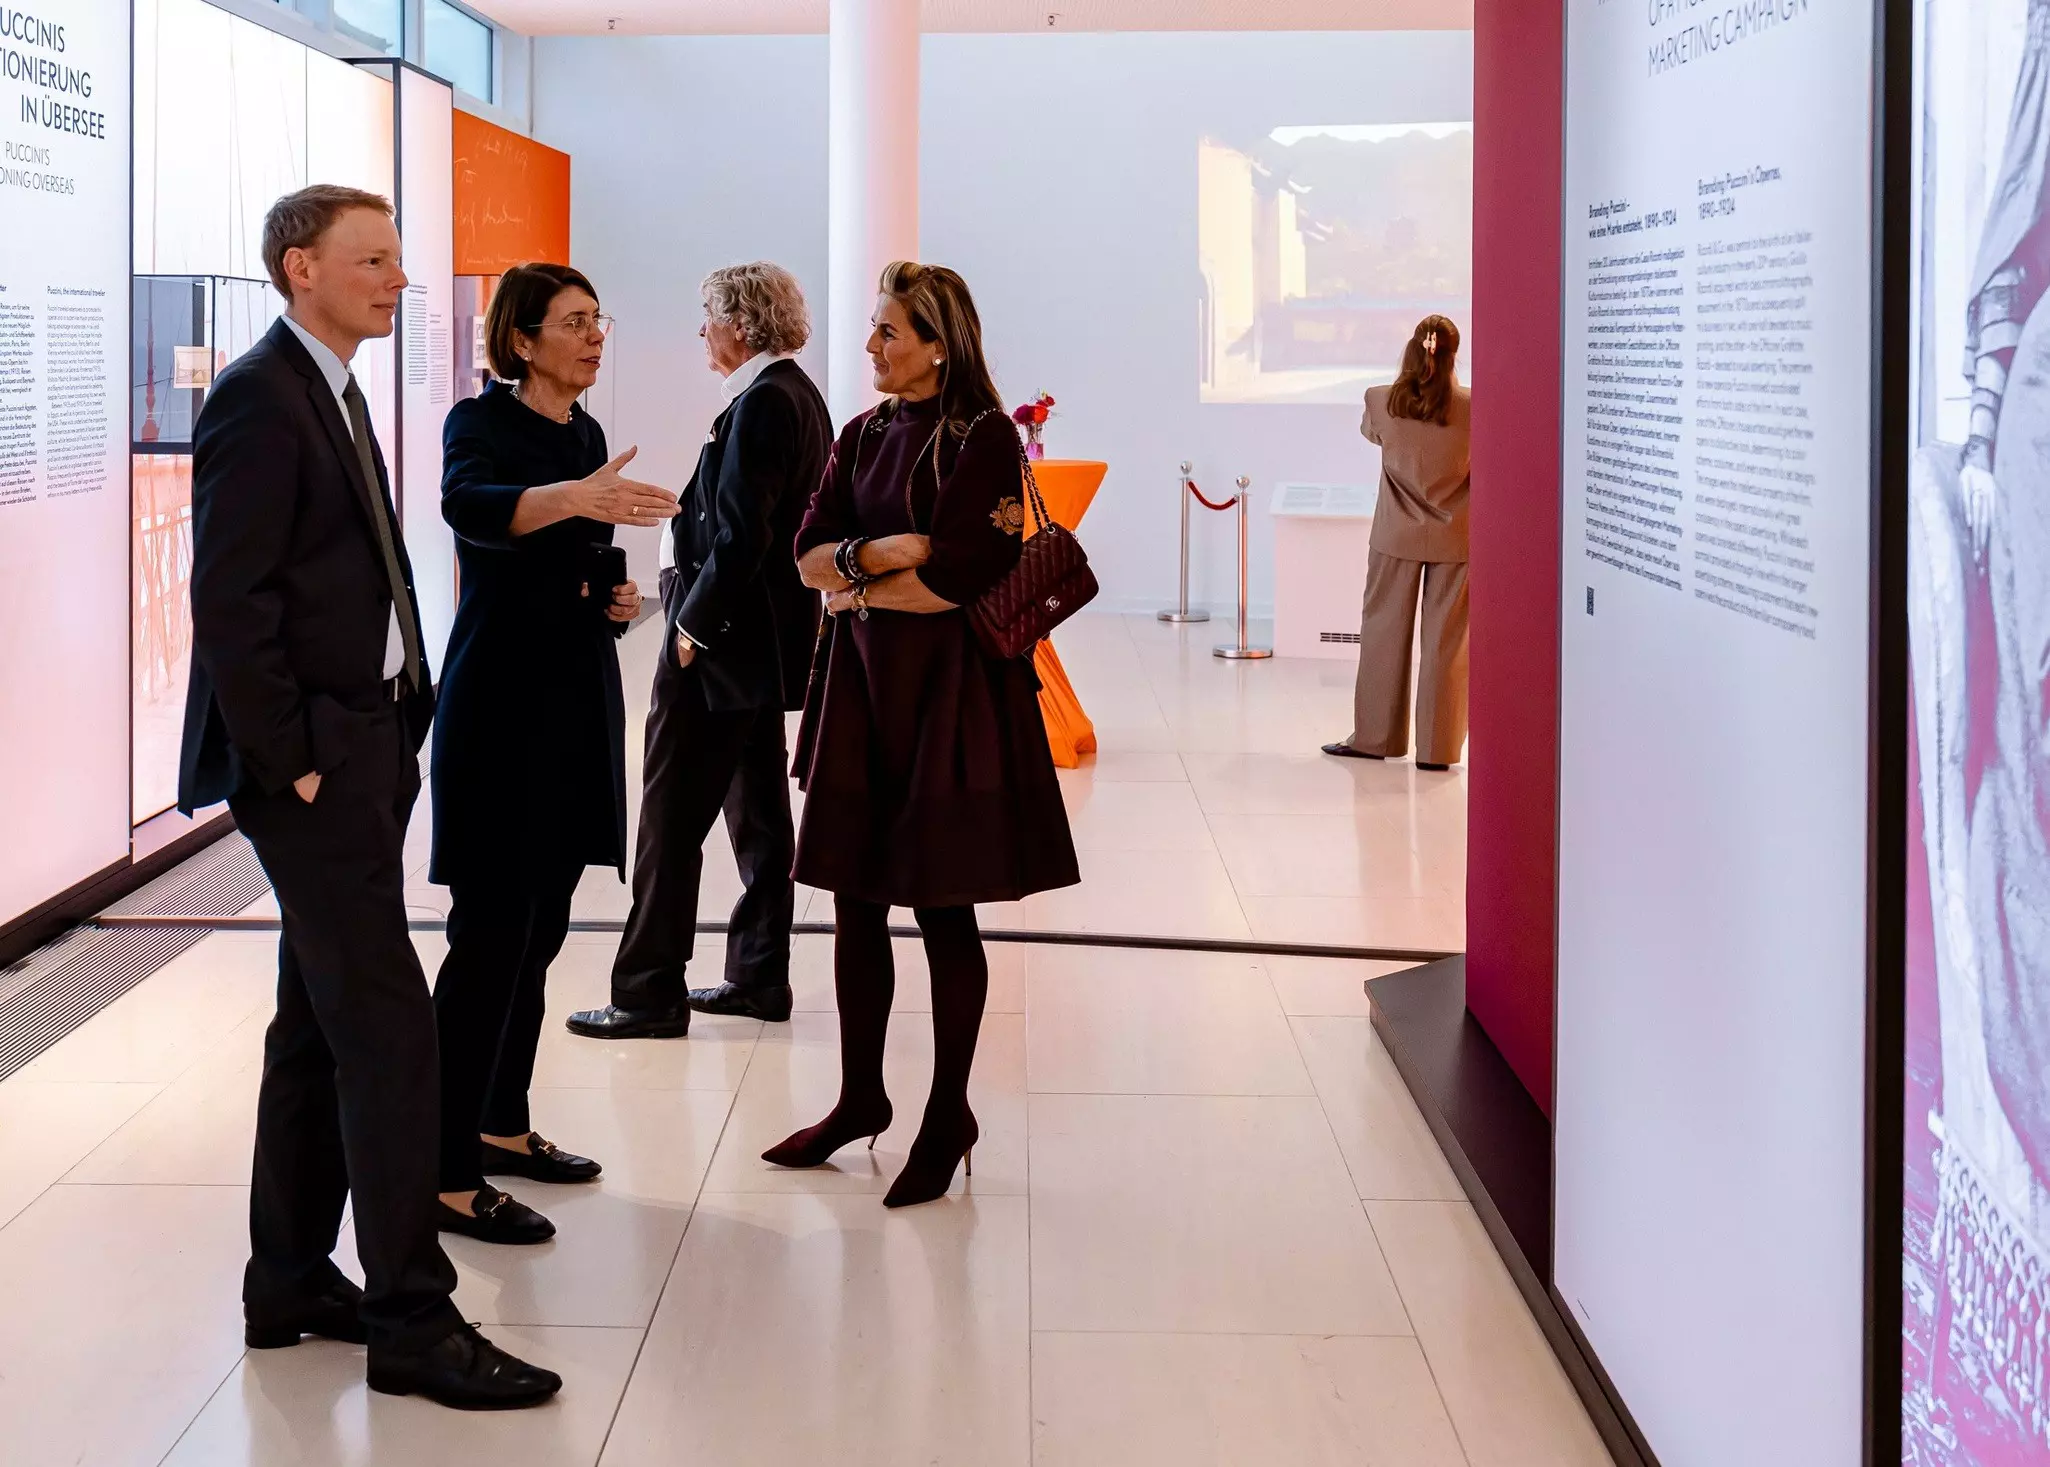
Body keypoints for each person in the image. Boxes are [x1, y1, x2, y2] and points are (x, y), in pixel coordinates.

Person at [176, 185, 558, 1409]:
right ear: (301, 268)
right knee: (390, 1033)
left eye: (397, 259)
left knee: (314, 1021)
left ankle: (288, 1278)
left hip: (368, 743)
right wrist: (289, 756)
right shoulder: (257, 395)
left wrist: (396, 720)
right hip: (318, 767)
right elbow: (231, 602)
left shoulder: (331, 384)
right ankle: (410, 1317)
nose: (400, 279)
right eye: (375, 260)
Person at [762, 261, 1079, 1209]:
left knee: (943, 907)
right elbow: (806, 553)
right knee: (855, 901)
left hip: (949, 700)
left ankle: (948, 1112)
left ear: (939, 344)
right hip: (863, 691)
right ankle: (861, 1097)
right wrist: (873, 558)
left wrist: (853, 580)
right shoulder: (860, 434)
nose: (870, 347)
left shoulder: (981, 437)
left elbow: (958, 576)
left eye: (887, 332)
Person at [429, 263, 678, 1245]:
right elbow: (475, 510)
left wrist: (614, 599)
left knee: (537, 932)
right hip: (499, 709)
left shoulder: (580, 438)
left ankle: (501, 1123)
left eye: (597, 320)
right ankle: (443, 1172)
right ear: (521, 339)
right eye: (574, 323)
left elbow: (577, 561)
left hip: (569, 703)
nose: (594, 337)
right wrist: (574, 499)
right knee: (489, 938)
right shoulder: (478, 425)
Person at [567, 263, 830, 1040]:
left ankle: (648, 992)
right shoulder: (791, 396)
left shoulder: (763, 403)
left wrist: (689, 630)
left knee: (671, 814)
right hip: (756, 645)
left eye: (708, 318)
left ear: (740, 325)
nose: (701, 334)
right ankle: (758, 975)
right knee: (758, 815)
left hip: (721, 645)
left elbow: (743, 535)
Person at [1322, 314, 1471, 771]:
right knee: (1447, 645)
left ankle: (1374, 738)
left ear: (1412, 347)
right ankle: (1437, 750)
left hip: (1394, 534)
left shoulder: (1380, 400)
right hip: (1457, 537)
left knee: (1384, 633)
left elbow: (1373, 436)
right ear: (1452, 354)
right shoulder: (1475, 406)